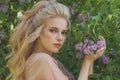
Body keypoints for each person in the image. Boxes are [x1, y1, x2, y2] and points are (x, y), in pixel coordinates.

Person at [7, 0, 106, 80]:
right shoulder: (42, 60)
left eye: (63, 32)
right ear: (38, 31)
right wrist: (86, 62)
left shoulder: (48, 61)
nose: (60, 38)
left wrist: (89, 60)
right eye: (53, 31)